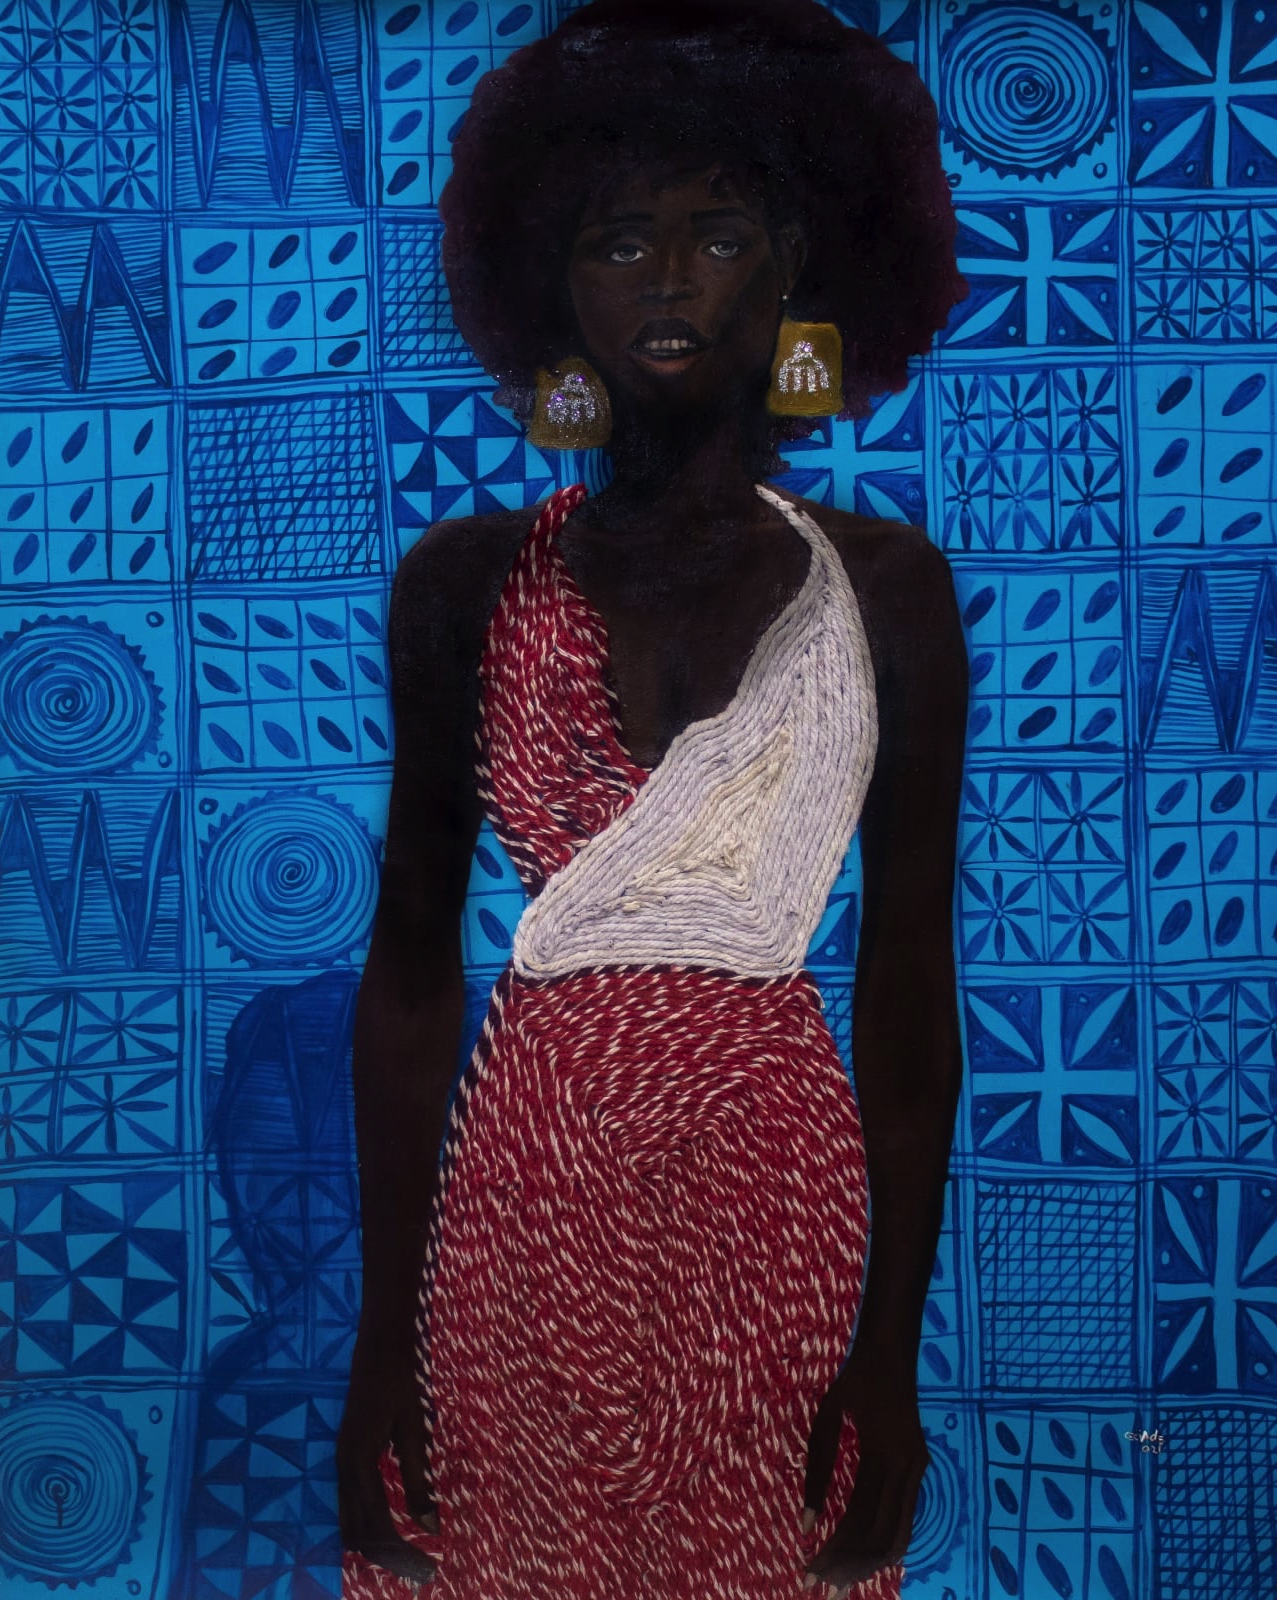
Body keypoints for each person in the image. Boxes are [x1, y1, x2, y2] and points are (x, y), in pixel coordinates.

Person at [337, 3, 968, 1596]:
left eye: (719, 237)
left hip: (773, 1184)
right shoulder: (466, 583)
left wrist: (890, 1360)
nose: (669, 280)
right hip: (524, 1186)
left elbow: (908, 987)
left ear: (799, 270)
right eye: (619, 243)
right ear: (552, 281)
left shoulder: (886, 589)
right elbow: (409, 973)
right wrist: (382, 1339)